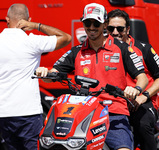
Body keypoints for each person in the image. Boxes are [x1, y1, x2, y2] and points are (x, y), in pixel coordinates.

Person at [36, 3, 149, 150]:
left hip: (113, 113)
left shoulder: (122, 48)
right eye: (87, 22)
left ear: (105, 24)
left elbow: (143, 77)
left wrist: (136, 89)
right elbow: (52, 75)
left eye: (96, 23)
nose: (91, 27)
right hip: (81, 114)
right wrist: (45, 72)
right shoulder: (76, 51)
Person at [0, 3, 71, 150]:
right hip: (28, 112)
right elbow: (66, 37)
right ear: (27, 19)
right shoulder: (32, 41)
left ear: (7, 19)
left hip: (3, 112)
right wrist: (36, 25)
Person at [106, 9, 159, 150]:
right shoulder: (103, 50)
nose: (115, 32)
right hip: (114, 103)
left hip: (142, 102)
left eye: (120, 29)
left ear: (128, 29)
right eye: (111, 28)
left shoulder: (143, 48)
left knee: (143, 124)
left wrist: (144, 96)